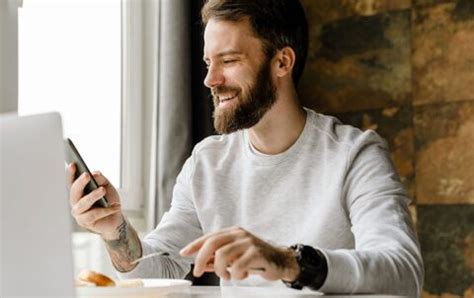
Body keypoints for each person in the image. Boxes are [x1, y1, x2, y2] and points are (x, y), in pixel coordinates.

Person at [68, 0, 423, 295]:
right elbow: (159, 267)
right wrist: (114, 230)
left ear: (282, 62)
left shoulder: (355, 155)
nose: (210, 79)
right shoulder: (207, 162)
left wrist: (287, 262)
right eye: (209, 63)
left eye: (230, 60)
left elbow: (403, 270)